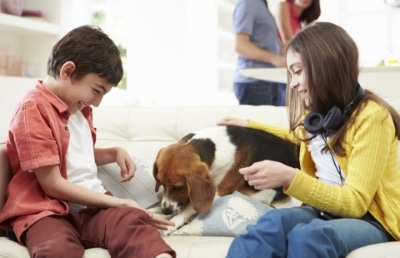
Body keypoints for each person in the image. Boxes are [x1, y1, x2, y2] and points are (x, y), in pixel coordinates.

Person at [218, 22, 400, 258]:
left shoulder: (372, 117)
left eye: (298, 71)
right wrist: (251, 125)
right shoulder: (317, 116)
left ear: (328, 64)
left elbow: (355, 203)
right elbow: (297, 136)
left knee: (311, 237)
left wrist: (290, 177)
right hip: (324, 211)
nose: (292, 83)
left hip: (372, 218)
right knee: (272, 223)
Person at [0, 25, 176, 258]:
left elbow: (73, 156)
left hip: (90, 210)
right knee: (57, 249)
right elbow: (51, 182)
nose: (98, 102)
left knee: (131, 221)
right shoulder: (33, 109)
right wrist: (118, 203)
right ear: (68, 71)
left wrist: (114, 152)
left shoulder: (79, 108)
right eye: (96, 90)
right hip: (46, 212)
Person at [233, 0, 286, 106]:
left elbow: (267, 40)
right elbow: (240, 45)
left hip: (267, 80)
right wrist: (273, 58)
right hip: (254, 82)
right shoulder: (248, 3)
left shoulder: (261, 4)